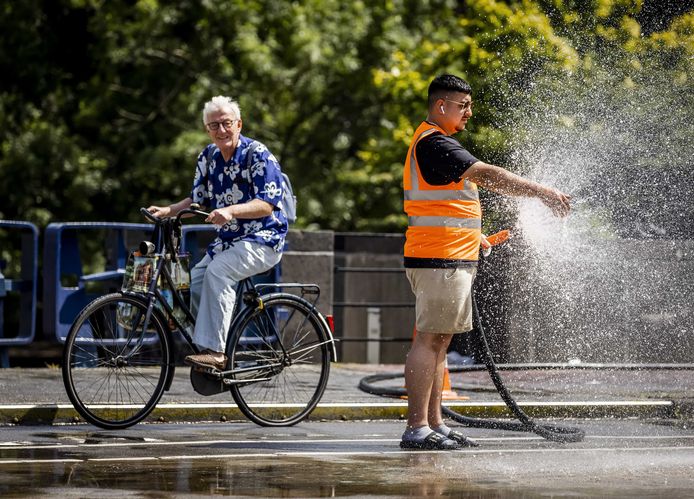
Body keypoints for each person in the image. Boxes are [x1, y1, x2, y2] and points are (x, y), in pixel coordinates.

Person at [400, 74, 571, 450]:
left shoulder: (434, 144)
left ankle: (434, 423)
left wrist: (472, 235)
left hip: (447, 254)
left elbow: (441, 204)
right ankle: (416, 429)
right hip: (438, 258)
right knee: (429, 341)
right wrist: (540, 192)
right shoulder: (435, 143)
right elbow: (488, 175)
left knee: (440, 342)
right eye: (463, 106)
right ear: (441, 106)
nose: (469, 113)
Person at [148, 95, 288, 370]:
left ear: (239, 124)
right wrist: (169, 210)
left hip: (264, 239)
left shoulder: (257, 154)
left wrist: (232, 211)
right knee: (193, 282)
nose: (221, 130)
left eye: (226, 123)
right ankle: (206, 349)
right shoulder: (208, 156)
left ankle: (217, 352)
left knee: (218, 272)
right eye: (214, 126)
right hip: (229, 242)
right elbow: (196, 199)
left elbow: (267, 204)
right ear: (207, 130)